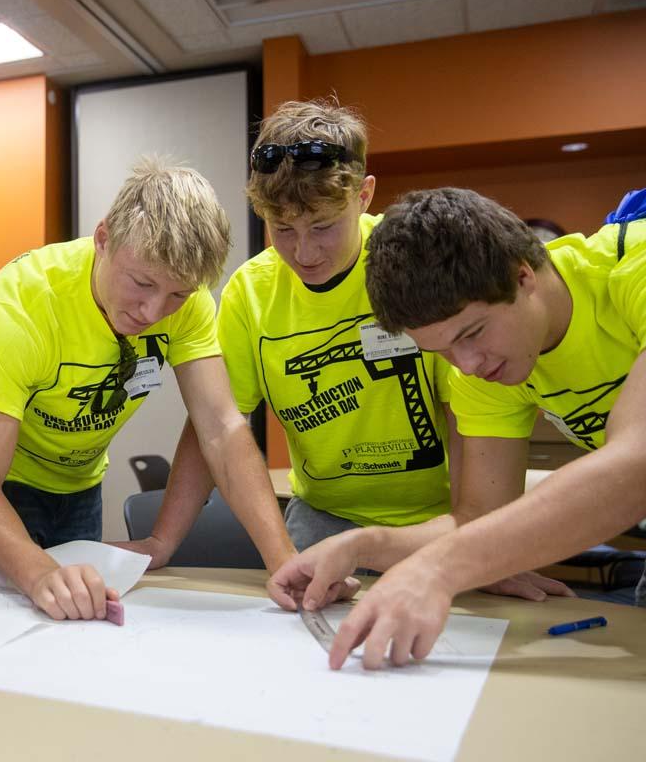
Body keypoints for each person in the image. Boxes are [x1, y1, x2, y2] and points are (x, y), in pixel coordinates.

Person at [270, 187, 645, 670]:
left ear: (523, 275)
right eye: (442, 351)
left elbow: (635, 466)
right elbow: (477, 519)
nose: (465, 365)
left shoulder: (632, 267)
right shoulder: (489, 368)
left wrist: (439, 568)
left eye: (472, 334)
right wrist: (363, 543)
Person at [0, 158, 297, 619]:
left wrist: (284, 563)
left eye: (177, 294)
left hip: (81, 486)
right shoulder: (22, 306)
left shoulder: (186, 307)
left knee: (74, 626)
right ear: (103, 237)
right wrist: (37, 571)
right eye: (142, 282)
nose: (153, 311)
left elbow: (222, 430)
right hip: (4, 489)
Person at [119, 100, 462, 583]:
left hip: (436, 520)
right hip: (321, 517)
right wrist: (163, 540)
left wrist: (481, 534)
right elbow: (215, 425)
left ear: (364, 196)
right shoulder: (251, 293)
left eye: (323, 227)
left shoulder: (415, 263)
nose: (304, 251)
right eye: (283, 229)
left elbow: (464, 406)